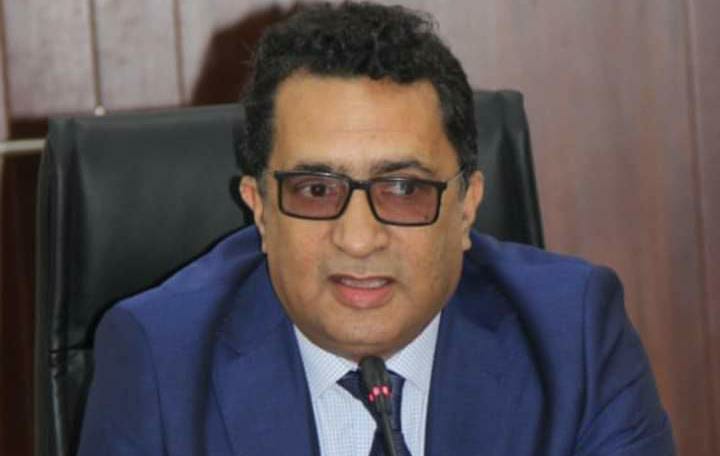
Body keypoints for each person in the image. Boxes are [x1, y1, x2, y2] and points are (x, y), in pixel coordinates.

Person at [78, 2, 675, 455]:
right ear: (260, 208)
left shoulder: (574, 336)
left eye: (403, 190)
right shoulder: (160, 359)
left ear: (466, 206)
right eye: (316, 190)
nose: (359, 239)